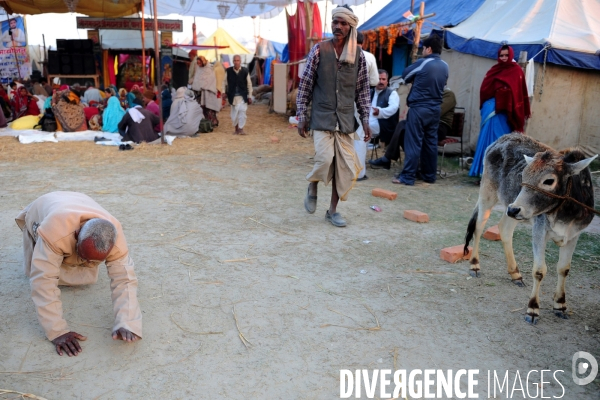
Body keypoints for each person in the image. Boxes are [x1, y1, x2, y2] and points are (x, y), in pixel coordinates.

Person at [16, 191, 142, 356]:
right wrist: (57, 331)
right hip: (43, 207)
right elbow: (43, 281)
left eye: (94, 261)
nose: (88, 264)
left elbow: (125, 280)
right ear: (76, 235)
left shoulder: (115, 236)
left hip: (78, 200)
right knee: (36, 269)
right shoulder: (54, 231)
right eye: (85, 257)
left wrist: (128, 322)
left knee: (80, 276)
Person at [296, 5, 371, 227]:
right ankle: (313, 184)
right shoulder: (320, 50)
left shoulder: (358, 56)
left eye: (343, 23)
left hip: (346, 121)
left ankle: (332, 211)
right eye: (335, 22)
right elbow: (306, 84)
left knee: (343, 168)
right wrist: (302, 114)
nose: (338, 26)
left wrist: (366, 118)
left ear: (350, 27)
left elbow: (363, 90)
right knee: (325, 158)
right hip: (322, 117)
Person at [469, 45, 531, 178]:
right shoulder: (494, 70)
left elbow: (518, 93)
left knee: (501, 142)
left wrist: (504, 96)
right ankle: (482, 174)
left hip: (505, 114)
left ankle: (497, 176)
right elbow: (484, 90)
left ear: (511, 56)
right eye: (501, 55)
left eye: (506, 55)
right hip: (490, 110)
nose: (503, 58)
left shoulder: (516, 71)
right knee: (486, 141)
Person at [396, 35, 448, 185]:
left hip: (419, 108)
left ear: (428, 49)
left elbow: (405, 75)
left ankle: (407, 177)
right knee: (430, 143)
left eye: (423, 48)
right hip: (435, 109)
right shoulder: (445, 65)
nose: (422, 51)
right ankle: (429, 176)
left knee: (413, 142)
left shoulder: (424, 63)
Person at [371, 85, 457, 177]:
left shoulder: (448, 94)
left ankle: (388, 159)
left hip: (439, 126)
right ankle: (414, 167)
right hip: (423, 124)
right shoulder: (430, 94)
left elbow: (435, 112)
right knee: (403, 129)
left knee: (405, 127)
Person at [189, 55, 221, 127]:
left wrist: (204, 86)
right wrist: (195, 84)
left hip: (208, 93)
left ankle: (213, 122)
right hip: (199, 93)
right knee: (202, 109)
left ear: (203, 61)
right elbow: (197, 79)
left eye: (199, 62)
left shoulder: (209, 68)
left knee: (210, 109)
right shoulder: (199, 69)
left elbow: (210, 80)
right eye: (197, 63)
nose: (198, 64)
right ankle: (206, 123)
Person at [225, 55, 253, 135]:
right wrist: (223, 92)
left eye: (238, 60)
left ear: (240, 61)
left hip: (242, 96)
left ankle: (241, 129)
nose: (236, 62)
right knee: (234, 114)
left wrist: (250, 96)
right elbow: (224, 83)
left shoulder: (245, 71)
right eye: (235, 60)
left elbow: (249, 84)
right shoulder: (228, 71)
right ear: (233, 61)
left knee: (242, 112)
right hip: (233, 96)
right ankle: (236, 129)